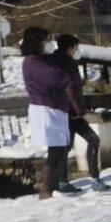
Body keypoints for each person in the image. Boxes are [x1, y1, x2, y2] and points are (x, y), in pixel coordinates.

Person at [20, 27, 75, 199]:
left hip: (52, 107)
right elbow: (57, 77)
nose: (49, 44)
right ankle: (46, 190)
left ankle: (51, 187)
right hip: (47, 108)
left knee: (58, 148)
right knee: (57, 150)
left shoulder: (38, 60)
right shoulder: (33, 62)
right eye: (46, 41)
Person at [52, 34, 110, 192]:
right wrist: (81, 112)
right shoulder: (68, 63)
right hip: (72, 112)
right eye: (76, 47)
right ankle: (95, 178)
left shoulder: (54, 61)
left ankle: (63, 182)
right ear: (70, 47)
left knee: (65, 146)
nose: (77, 50)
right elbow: (70, 89)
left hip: (61, 110)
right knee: (93, 140)